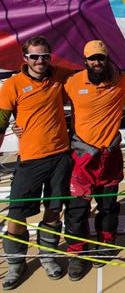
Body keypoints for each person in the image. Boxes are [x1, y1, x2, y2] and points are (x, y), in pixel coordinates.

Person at [0, 37, 73, 289]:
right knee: (17, 217)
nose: (40, 61)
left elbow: (91, 76)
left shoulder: (60, 76)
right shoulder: (13, 85)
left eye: (45, 56)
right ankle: (15, 265)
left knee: (54, 211)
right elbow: (1, 122)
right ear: (25, 59)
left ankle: (48, 257)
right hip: (30, 160)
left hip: (60, 156)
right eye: (34, 57)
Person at [63, 40, 125, 280]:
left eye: (101, 58)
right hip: (82, 158)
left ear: (107, 58)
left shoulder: (122, 81)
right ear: (85, 60)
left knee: (108, 206)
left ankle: (106, 243)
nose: (97, 62)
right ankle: (77, 253)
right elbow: (44, 98)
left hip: (109, 156)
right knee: (77, 210)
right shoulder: (72, 82)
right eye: (92, 58)